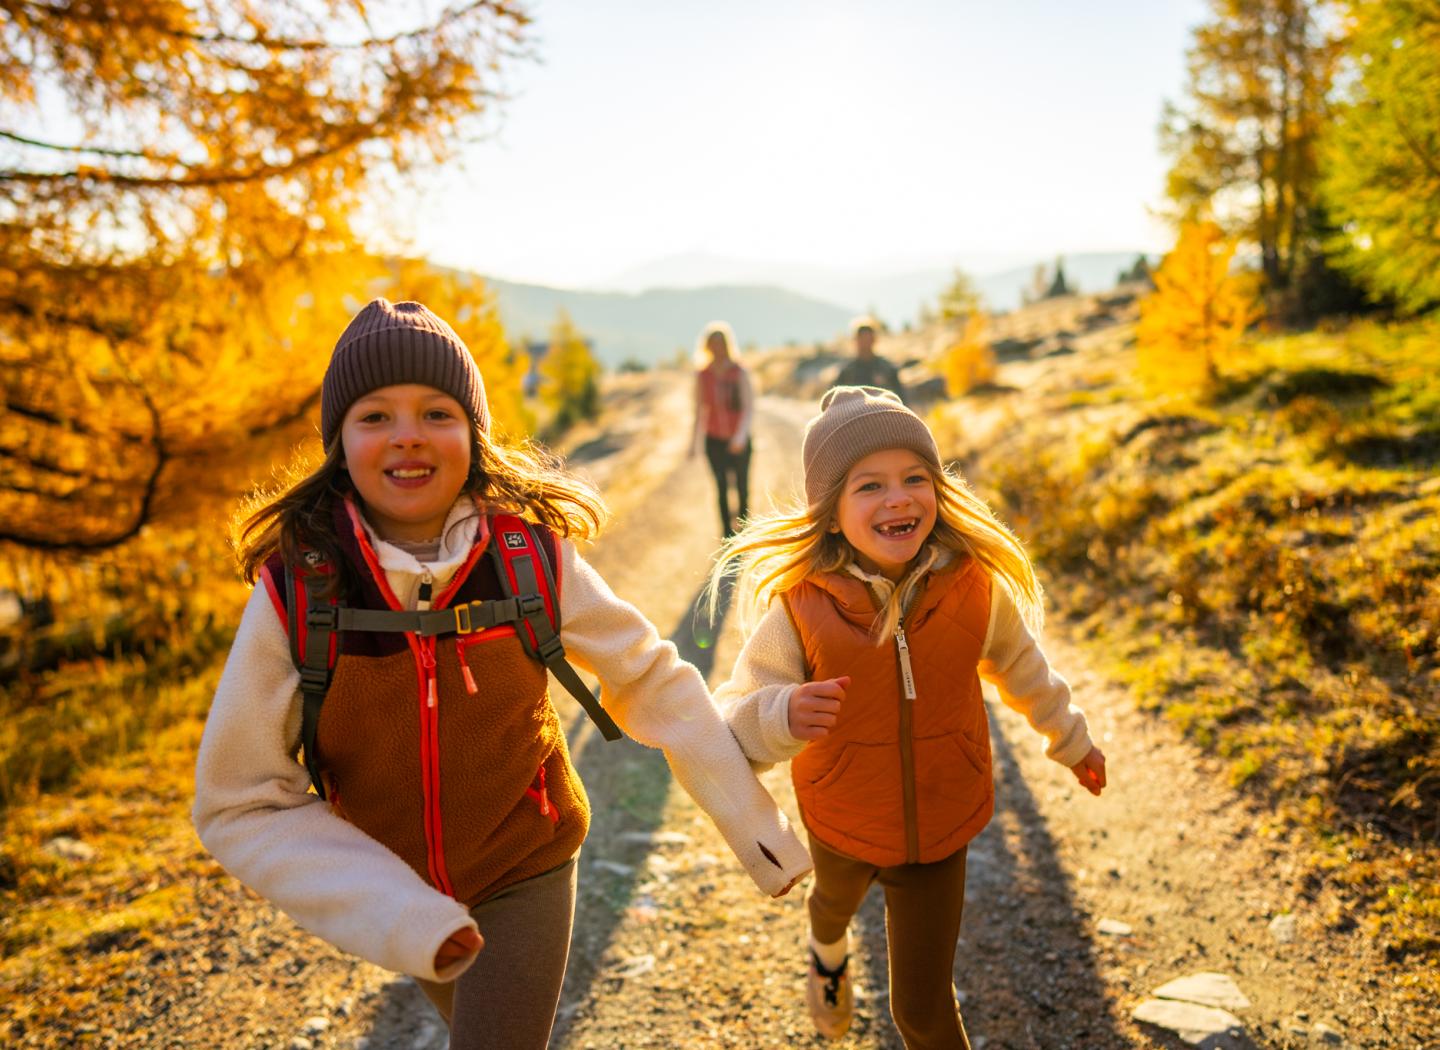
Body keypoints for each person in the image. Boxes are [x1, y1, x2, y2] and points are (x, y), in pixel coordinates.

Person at [192, 299, 811, 1050]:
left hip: (527, 864)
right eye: (375, 416)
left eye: (436, 412)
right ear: (338, 442)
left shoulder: (528, 557)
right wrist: (396, 911)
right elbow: (239, 800)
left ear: (474, 434)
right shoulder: (301, 589)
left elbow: (649, 677)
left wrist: (755, 825)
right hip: (402, 888)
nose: (408, 435)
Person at [709, 386, 1107, 1048]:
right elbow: (734, 714)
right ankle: (826, 950)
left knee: (920, 1010)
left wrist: (1072, 739)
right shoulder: (801, 606)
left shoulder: (974, 586)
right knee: (833, 904)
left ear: (937, 490)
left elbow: (1023, 666)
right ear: (830, 514)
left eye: (914, 479)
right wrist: (780, 711)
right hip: (841, 812)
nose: (898, 499)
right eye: (869, 486)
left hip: (941, 822)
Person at [691, 320, 754, 537]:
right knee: (721, 487)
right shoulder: (703, 375)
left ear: (727, 344)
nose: (717, 347)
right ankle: (727, 535)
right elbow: (699, 409)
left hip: (739, 439)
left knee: (742, 487)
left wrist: (740, 437)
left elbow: (748, 407)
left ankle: (744, 531)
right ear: (707, 346)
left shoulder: (739, 372)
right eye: (713, 343)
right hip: (714, 439)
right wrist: (694, 443)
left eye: (721, 343)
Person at [834, 316, 905, 401]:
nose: (865, 342)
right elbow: (836, 400)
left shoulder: (887, 368)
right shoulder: (847, 371)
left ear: (874, 340)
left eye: (868, 338)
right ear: (856, 340)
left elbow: (900, 398)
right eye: (862, 338)